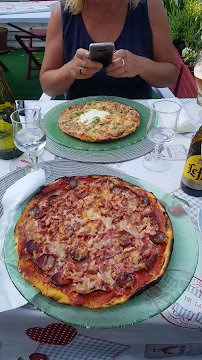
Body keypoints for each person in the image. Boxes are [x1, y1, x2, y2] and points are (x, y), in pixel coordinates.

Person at [40, 0, 178, 100]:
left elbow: (170, 75)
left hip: (137, 122)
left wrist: (140, 65)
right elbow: (48, 86)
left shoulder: (150, 6)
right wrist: (70, 70)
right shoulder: (63, 12)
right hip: (80, 124)